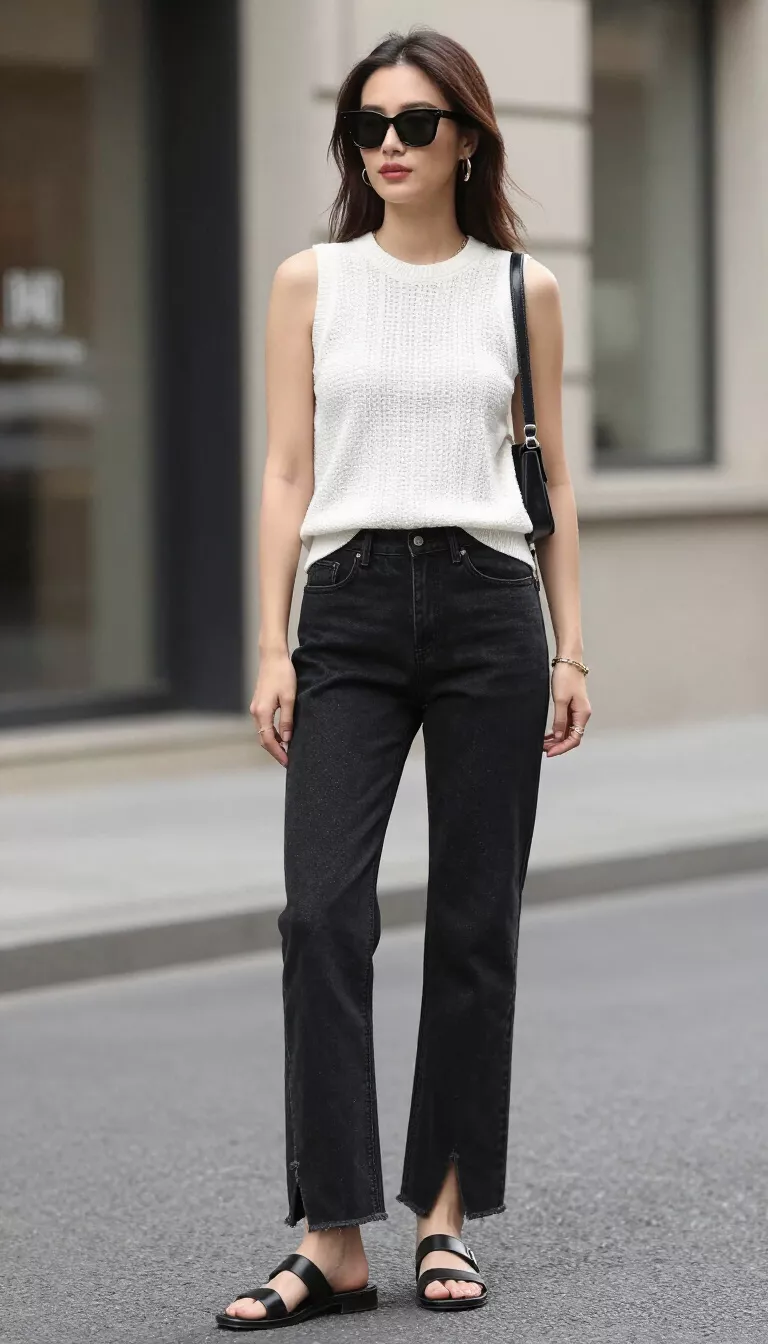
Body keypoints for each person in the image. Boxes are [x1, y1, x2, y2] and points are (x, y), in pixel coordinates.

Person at [216, 24, 591, 1332]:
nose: (387, 142)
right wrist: (271, 642)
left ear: (467, 139)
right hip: (353, 606)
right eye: (369, 122)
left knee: (474, 922)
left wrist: (573, 641)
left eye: (415, 123)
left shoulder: (522, 290)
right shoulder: (309, 281)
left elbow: (549, 485)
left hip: (491, 604)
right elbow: (283, 473)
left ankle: (440, 1217)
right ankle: (334, 1241)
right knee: (323, 912)